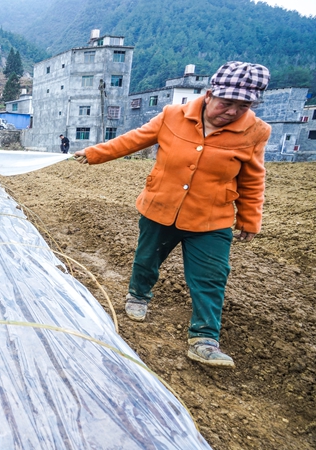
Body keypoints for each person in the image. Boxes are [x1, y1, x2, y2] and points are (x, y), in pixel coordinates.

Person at [73, 61, 271, 369]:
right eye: (227, 102)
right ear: (209, 94)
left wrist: (249, 217)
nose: (233, 111)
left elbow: (252, 177)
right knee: (146, 259)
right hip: (161, 206)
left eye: (243, 105)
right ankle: (138, 295)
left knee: (211, 277)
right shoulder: (173, 116)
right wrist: (95, 153)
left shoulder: (256, 131)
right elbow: (133, 140)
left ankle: (204, 339)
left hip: (212, 217)